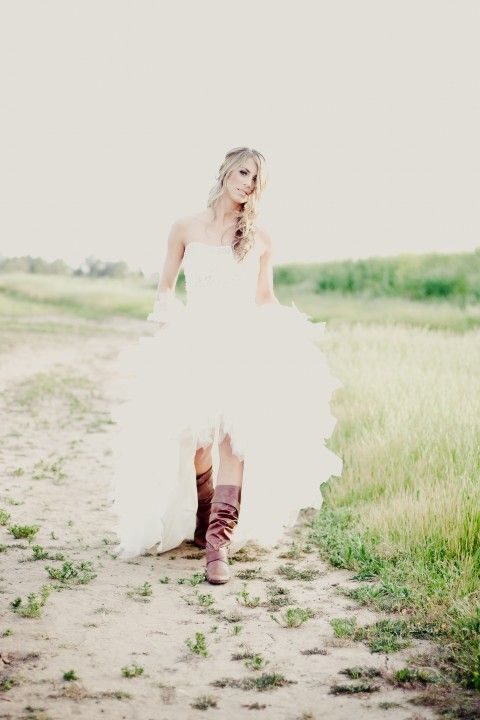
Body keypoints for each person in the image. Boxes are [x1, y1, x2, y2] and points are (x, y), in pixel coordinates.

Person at [107, 146, 343, 585]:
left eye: (255, 179)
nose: (247, 183)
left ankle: (218, 543)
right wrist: (168, 325)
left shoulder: (260, 237)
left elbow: (264, 297)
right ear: (225, 170)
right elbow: (165, 289)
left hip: (242, 344)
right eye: (242, 172)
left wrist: (290, 331)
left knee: (236, 437)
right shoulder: (184, 228)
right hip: (194, 341)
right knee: (198, 441)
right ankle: (202, 517)